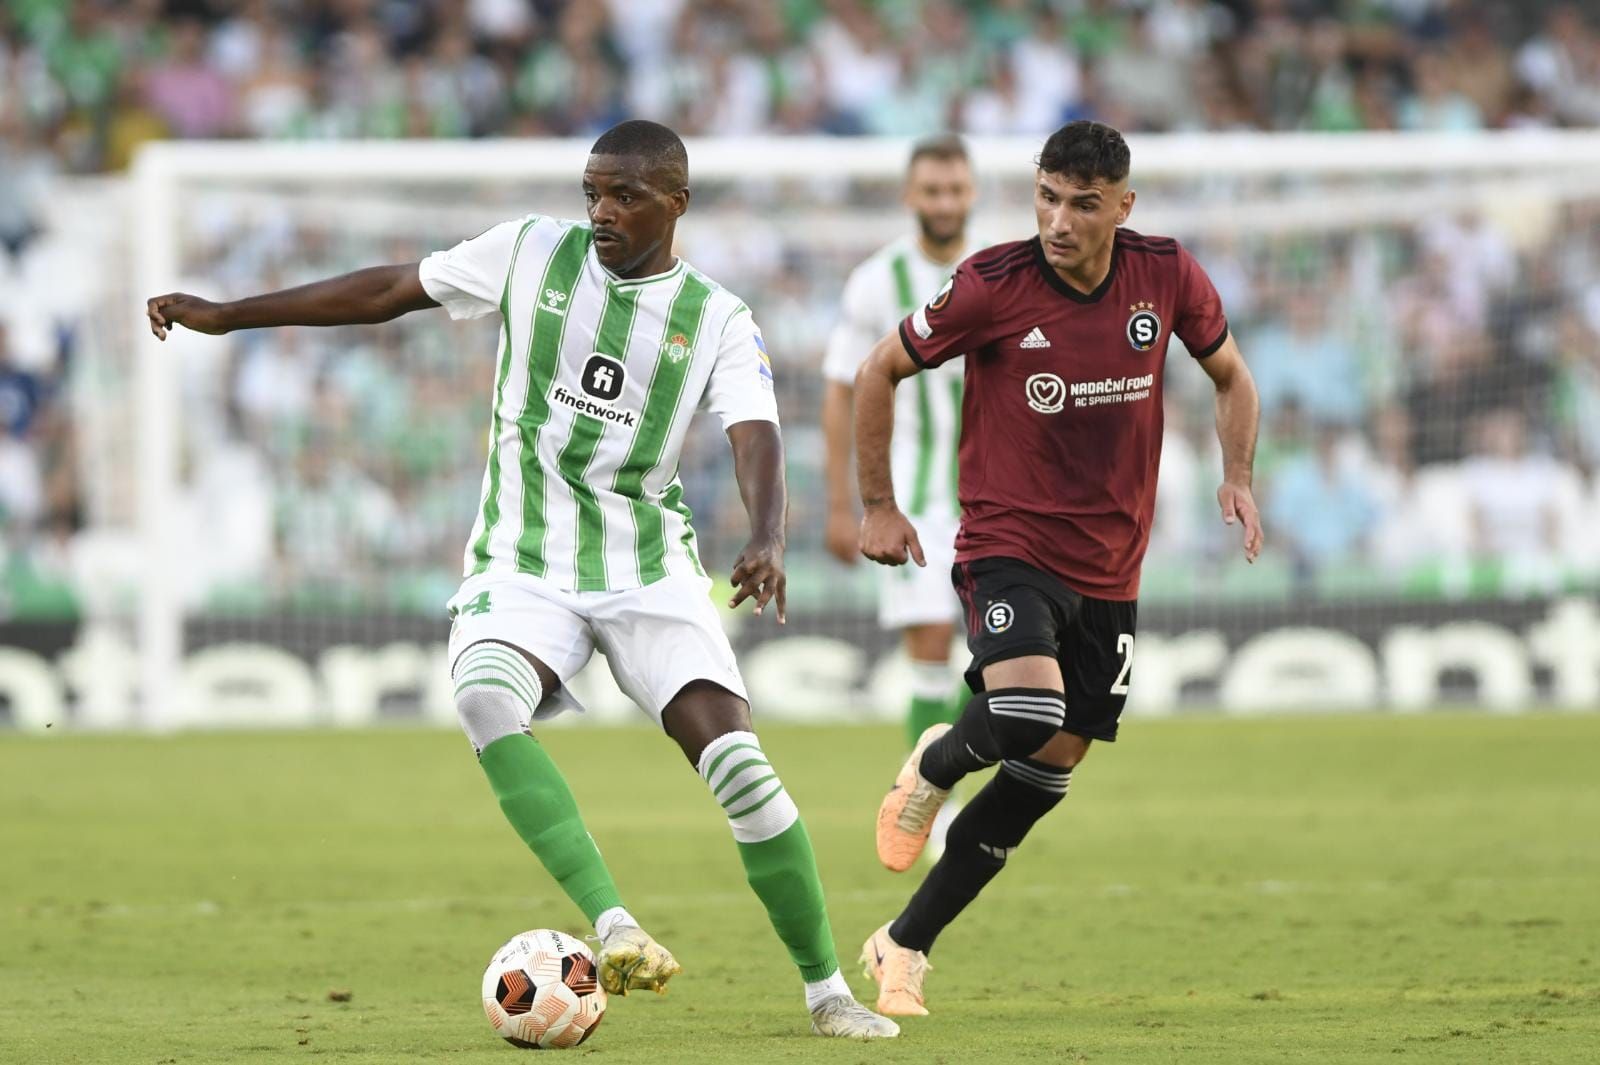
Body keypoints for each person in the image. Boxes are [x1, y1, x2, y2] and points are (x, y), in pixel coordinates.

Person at [145, 120, 897, 1040]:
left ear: (676, 203)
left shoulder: (718, 318)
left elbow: (756, 435)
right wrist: (229, 314)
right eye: (592, 192)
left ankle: (828, 991)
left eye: (624, 196)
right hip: (522, 559)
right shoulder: (530, 251)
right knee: (483, 696)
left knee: (741, 767)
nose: (601, 211)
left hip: (646, 566)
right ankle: (614, 923)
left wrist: (769, 533)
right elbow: (388, 289)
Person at [850, 120, 1262, 1016]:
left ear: (1123, 206)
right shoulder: (992, 285)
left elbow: (1232, 376)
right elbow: (878, 370)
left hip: (1112, 568)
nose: (1059, 220)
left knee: (1050, 769)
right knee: (1029, 712)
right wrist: (877, 504)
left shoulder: (1168, 274)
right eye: (1046, 198)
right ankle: (936, 764)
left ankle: (903, 944)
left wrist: (1237, 473)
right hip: (1008, 543)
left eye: (1082, 204)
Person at [820, 134, 974, 811]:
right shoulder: (878, 280)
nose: (943, 202)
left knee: (1007, 659)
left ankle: (941, 773)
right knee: (933, 646)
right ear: (911, 195)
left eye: (954, 189)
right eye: (932, 190)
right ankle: (929, 805)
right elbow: (841, 390)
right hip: (912, 496)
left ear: (971, 193)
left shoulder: (1000, 268)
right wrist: (840, 504)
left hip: (994, 495)